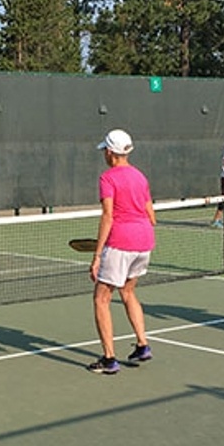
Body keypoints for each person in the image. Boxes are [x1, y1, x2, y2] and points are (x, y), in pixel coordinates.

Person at [88, 129, 157, 374]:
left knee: (101, 299)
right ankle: (142, 344)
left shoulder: (107, 178)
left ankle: (109, 359)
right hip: (145, 241)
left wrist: (96, 256)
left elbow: (108, 216)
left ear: (109, 152)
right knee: (128, 291)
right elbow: (152, 216)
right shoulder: (140, 177)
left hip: (121, 242)